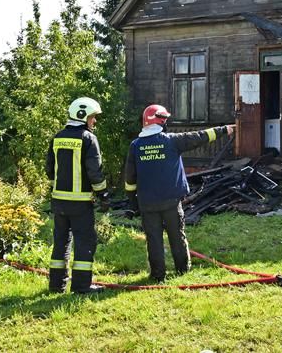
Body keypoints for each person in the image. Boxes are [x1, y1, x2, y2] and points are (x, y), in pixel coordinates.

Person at [125, 104, 234, 282]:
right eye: (164, 120)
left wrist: (131, 201)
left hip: (147, 203)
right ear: (159, 121)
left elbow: (130, 178)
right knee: (176, 235)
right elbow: (198, 137)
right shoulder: (172, 141)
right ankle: (182, 270)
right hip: (171, 201)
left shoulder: (135, 146)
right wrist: (222, 130)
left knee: (153, 240)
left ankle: (157, 275)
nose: (166, 123)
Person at [45, 97, 111, 294]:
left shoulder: (57, 137)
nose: (95, 121)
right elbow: (94, 172)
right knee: (84, 241)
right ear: (82, 116)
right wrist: (104, 196)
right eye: (92, 117)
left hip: (58, 202)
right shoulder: (88, 139)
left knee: (61, 242)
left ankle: (57, 285)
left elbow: (49, 170)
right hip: (80, 204)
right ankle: (82, 286)